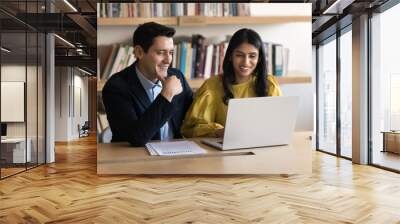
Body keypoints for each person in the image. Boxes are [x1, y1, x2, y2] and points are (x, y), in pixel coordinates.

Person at [102, 22, 193, 146]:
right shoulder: (116, 87)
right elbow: (136, 138)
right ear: (139, 52)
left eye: (171, 52)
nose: (168, 60)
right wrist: (166, 94)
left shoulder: (177, 77)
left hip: (176, 154)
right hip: (133, 159)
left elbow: (193, 117)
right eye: (161, 53)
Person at [181, 28, 282, 138]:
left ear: (259, 58)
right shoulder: (212, 86)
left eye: (252, 56)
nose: (246, 62)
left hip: (264, 147)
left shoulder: (269, 83)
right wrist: (219, 131)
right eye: (239, 55)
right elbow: (189, 129)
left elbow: (280, 123)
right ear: (230, 56)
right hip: (223, 151)